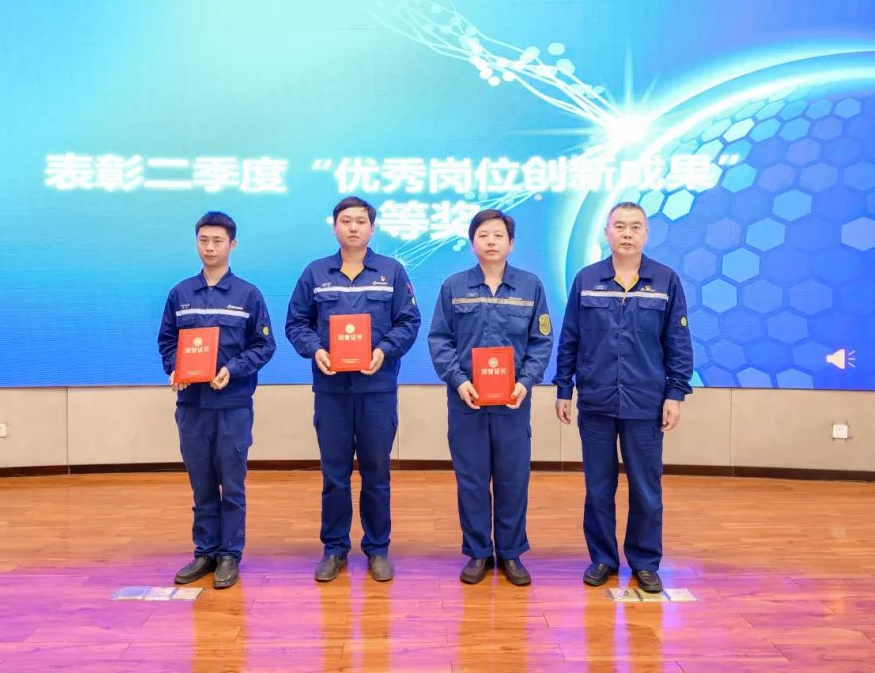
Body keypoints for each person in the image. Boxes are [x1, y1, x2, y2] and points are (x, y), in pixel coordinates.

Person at [553, 202, 693, 594]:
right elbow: (570, 337)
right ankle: (602, 558)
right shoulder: (587, 279)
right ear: (607, 233)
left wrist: (675, 393)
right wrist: (564, 388)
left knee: (646, 489)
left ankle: (645, 562)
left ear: (646, 233)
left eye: (635, 227)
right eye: (619, 226)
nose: (627, 233)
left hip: (646, 402)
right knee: (599, 488)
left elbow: (678, 341)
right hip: (596, 400)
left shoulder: (665, 280)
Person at [285, 196, 421, 583]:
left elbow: (409, 321)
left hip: (377, 390)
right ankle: (334, 548)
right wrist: (316, 350)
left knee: (377, 473)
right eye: (346, 221)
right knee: (335, 475)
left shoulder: (391, 271)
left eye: (361, 221)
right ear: (335, 228)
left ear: (372, 228)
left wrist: (383, 350)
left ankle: (377, 548)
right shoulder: (315, 273)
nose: (354, 227)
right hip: (332, 391)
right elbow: (296, 323)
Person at [427, 209, 553, 586]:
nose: (491, 242)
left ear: (511, 243)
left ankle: (511, 552)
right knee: (472, 479)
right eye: (483, 235)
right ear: (472, 243)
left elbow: (541, 341)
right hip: (467, 401)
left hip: (513, 402)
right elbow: (440, 339)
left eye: (498, 235)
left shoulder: (530, 286)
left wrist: (526, 382)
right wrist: (458, 380)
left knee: (513, 479)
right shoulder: (454, 287)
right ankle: (478, 551)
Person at [157, 211, 276, 589]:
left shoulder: (248, 294)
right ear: (197, 242)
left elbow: (264, 345)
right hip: (191, 405)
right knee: (201, 481)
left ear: (232, 245)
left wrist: (233, 369)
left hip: (232, 404)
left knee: (232, 483)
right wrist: (174, 368)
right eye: (204, 240)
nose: (210, 247)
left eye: (218, 241)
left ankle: (229, 555)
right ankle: (205, 551)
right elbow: (167, 341)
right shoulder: (180, 294)